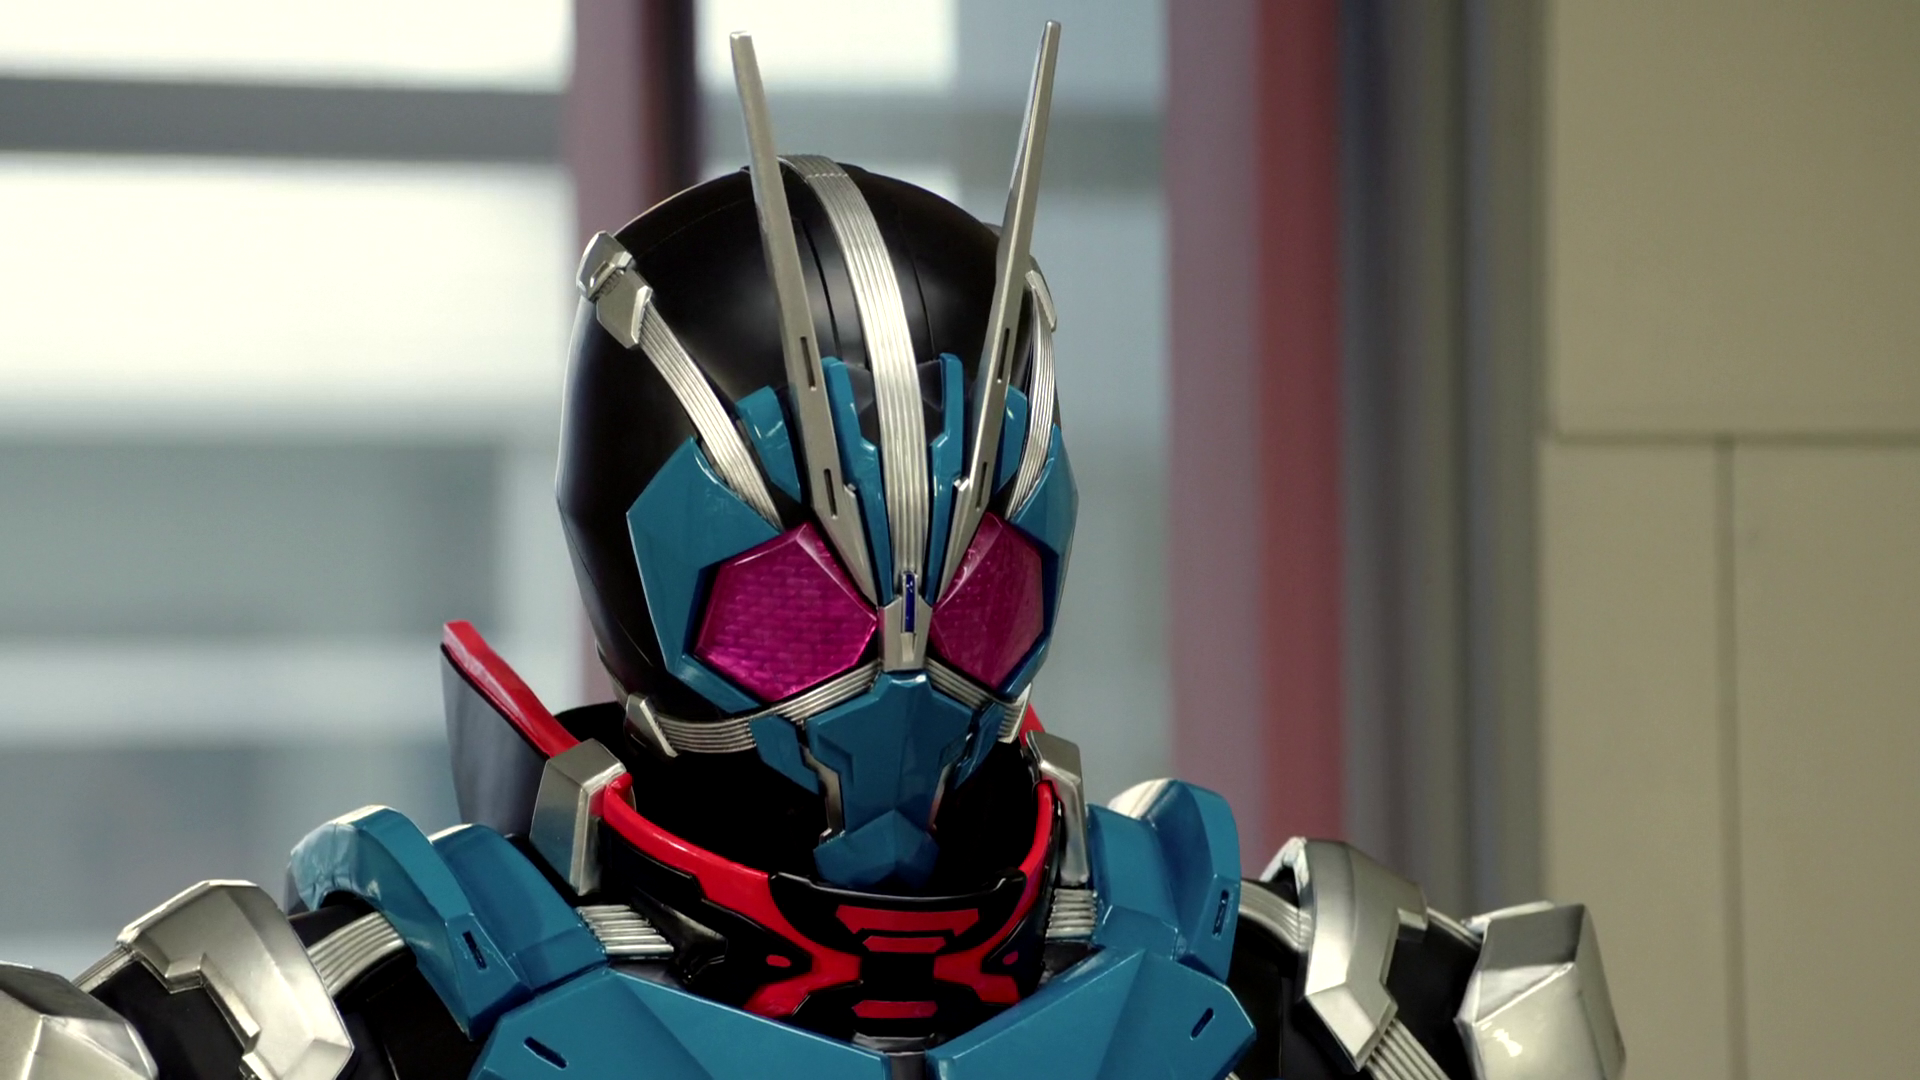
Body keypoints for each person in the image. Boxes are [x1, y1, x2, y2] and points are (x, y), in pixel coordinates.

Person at [0, 25, 1622, 1080]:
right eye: (793, 618)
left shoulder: (1321, 1002)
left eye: (976, 606)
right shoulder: (347, 1023)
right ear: (635, 586)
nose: (899, 688)